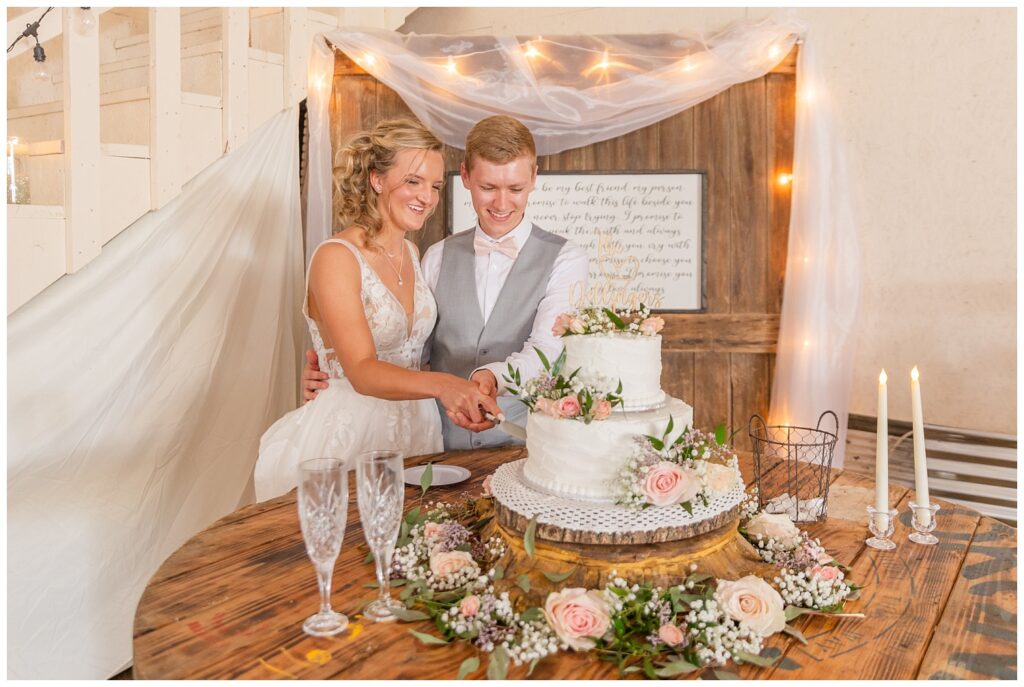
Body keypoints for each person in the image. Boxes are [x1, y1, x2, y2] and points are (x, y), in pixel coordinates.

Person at [303, 115, 589, 450]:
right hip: (416, 439)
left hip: (512, 442)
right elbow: (393, 358)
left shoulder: (565, 258)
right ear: (466, 176)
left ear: (534, 178)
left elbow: (547, 351)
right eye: (488, 188)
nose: (501, 203)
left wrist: (490, 378)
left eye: (514, 188)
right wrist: (333, 370)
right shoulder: (434, 256)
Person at [255, 119, 501, 501]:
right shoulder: (335, 257)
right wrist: (444, 386)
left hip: (418, 433)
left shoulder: (412, 253)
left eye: (435, 186)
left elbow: (415, 352)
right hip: (351, 435)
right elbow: (363, 372)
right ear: (377, 179)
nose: (428, 197)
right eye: (413, 181)